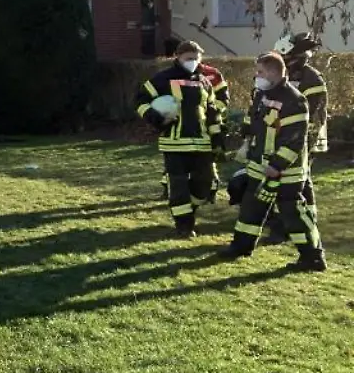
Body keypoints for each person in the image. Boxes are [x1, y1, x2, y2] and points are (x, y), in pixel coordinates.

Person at [221, 52, 326, 271]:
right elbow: (254, 118)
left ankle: (313, 257)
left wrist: (277, 166)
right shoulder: (261, 94)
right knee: (250, 209)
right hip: (259, 166)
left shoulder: (294, 100)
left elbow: (294, 140)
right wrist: (246, 133)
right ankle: (241, 247)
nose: (256, 76)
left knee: (293, 215)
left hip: (286, 171)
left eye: (260, 72)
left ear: (273, 72)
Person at [136, 40, 225, 238]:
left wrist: (217, 137)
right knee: (178, 187)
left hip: (202, 144)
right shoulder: (163, 78)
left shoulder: (204, 82)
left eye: (196, 58)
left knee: (204, 185)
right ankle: (184, 226)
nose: (193, 62)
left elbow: (212, 111)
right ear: (178, 57)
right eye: (189, 58)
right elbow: (141, 100)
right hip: (174, 144)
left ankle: (189, 211)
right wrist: (156, 119)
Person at [260, 31, 328, 242]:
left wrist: (302, 142)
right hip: (284, 137)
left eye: (286, 59)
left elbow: (312, 115)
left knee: (295, 182)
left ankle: (291, 225)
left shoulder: (311, 79)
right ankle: (296, 220)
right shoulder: (286, 77)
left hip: (302, 139)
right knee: (298, 181)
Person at [159, 58, 230, 202]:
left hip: (209, 122)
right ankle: (170, 189)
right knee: (176, 163)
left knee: (208, 160)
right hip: (187, 126)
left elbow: (223, 98)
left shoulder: (213, 74)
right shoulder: (176, 76)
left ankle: (210, 191)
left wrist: (210, 111)